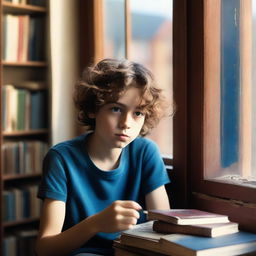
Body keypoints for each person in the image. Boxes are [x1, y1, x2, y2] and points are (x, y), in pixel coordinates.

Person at [35, 58, 171, 256]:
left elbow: (163, 229)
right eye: (116, 109)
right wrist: (96, 223)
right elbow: (45, 249)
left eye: (138, 113)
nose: (127, 123)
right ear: (92, 109)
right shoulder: (61, 158)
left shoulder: (145, 152)